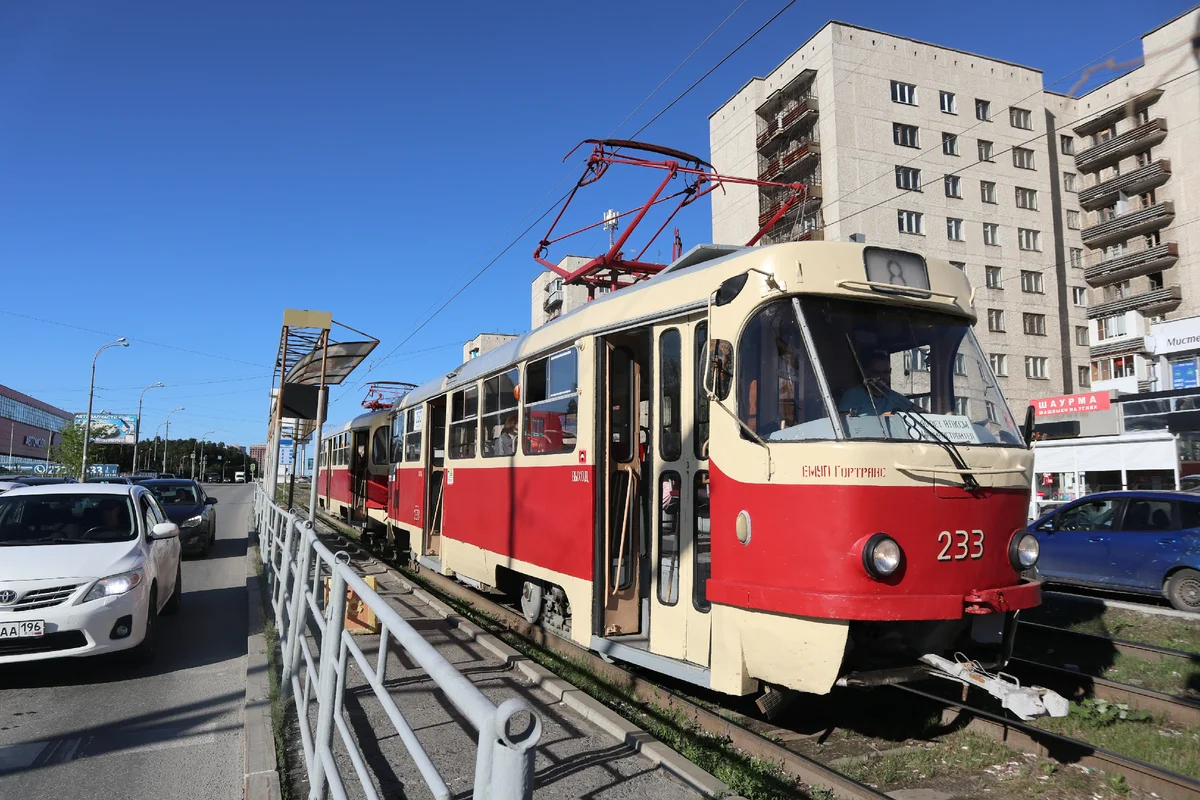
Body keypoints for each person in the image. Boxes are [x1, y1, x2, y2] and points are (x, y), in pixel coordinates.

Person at [839, 350, 914, 416]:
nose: (881, 376)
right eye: (876, 372)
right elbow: (845, 423)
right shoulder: (853, 395)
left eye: (886, 372)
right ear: (867, 373)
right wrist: (882, 420)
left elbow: (918, 411)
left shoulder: (893, 396)